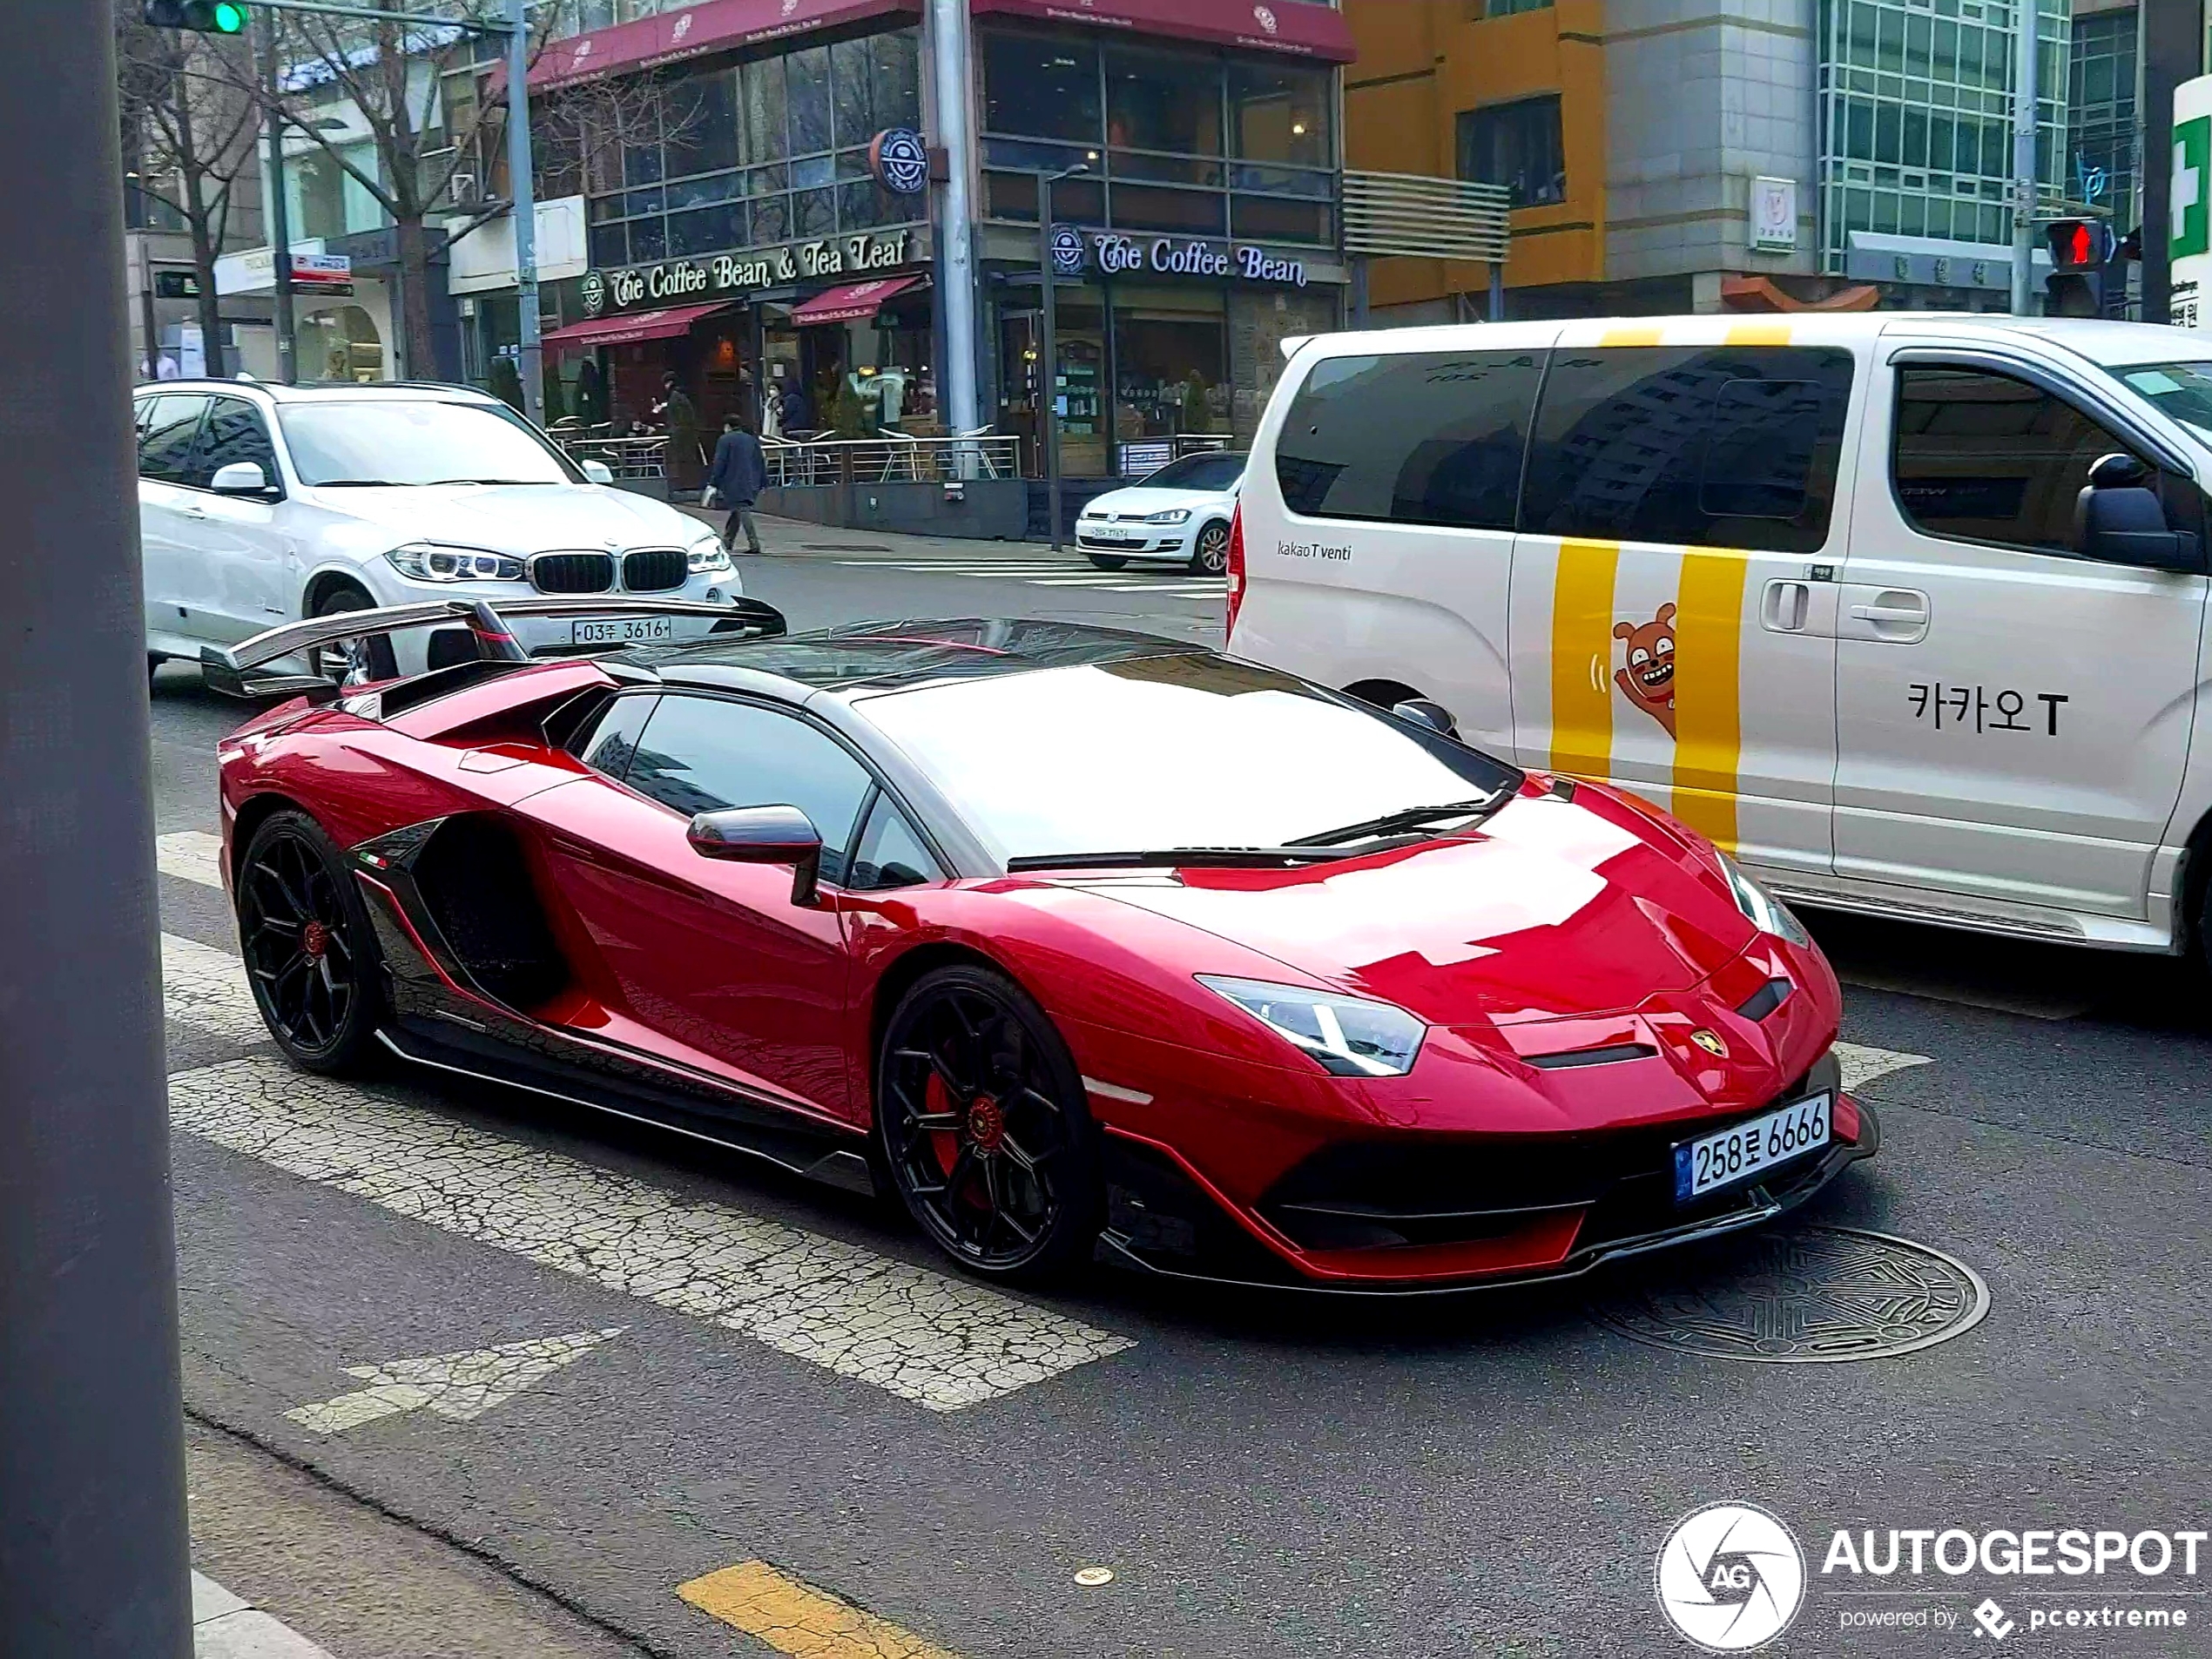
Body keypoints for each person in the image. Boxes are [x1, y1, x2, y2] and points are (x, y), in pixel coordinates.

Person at [703, 412, 766, 555]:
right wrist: (763, 481)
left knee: (742, 510)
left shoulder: (725, 440)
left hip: (734, 481)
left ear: (727, 426)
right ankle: (727, 542)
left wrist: (714, 482)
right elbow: (760, 461)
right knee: (737, 511)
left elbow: (720, 462)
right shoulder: (751, 440)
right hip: (752, 481)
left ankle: (754, 543)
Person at [653, 372, 704, 493]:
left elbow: (677, 420)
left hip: (682, 436)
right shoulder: (680, 396)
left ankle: (685, 485)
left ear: (669, 383)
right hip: (687, 434)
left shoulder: (675, 397)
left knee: (683, 461)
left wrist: (662, 430)